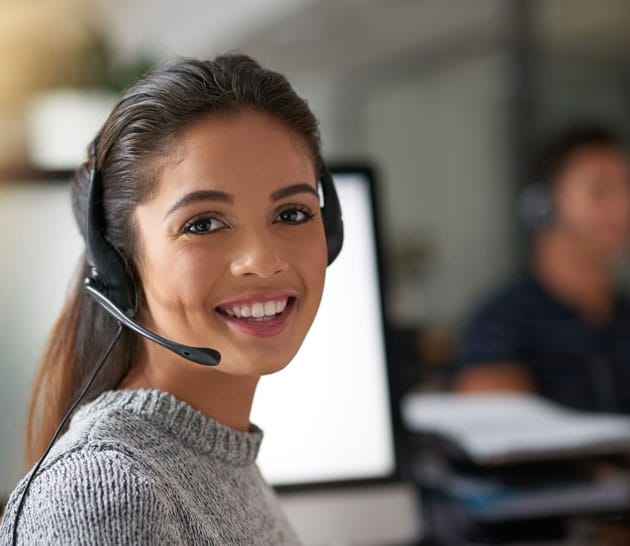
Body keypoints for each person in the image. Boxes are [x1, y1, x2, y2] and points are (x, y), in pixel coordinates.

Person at [0, 54, 342, 545]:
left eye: (292, 213)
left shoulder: (218, 462)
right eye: (202, 223)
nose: (263, 262)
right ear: (119, 258)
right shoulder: (110, 493)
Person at [452, 124, 630, 413]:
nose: (623, 206)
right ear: (543, 206)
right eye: (601, 191)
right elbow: (499, 428)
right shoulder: (502, 324)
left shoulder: (622, 317)